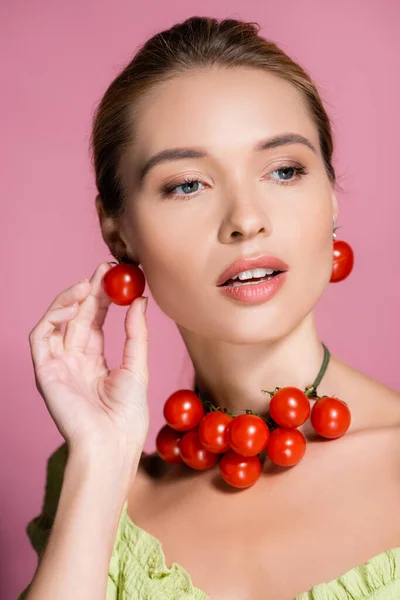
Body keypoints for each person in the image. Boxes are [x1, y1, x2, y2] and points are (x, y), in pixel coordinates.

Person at [18, 15, 400, 600]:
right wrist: (98, 465)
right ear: (117, 231)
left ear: (330, 195)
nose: (247, 219)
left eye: (284, 170)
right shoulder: (100, 493)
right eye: (187, 184)